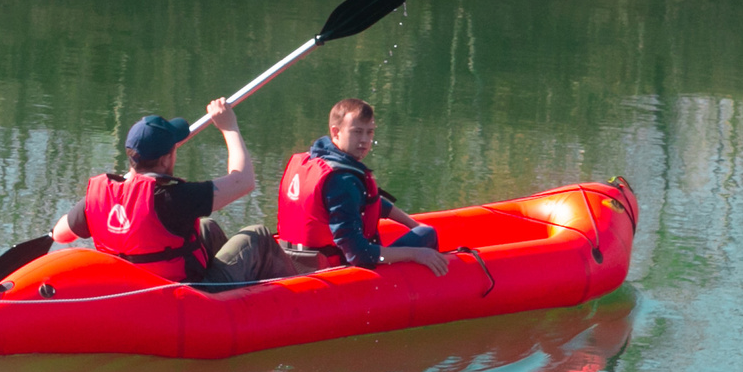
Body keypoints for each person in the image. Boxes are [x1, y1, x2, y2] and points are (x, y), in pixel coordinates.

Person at [231, 97, 448, 280]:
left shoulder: (314, 161)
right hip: (333, 271)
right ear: (336, 132)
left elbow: (370, 201)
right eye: (357, 132)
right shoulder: (342, 180)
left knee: (419, 229)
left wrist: (411, 223)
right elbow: (359, 255)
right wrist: (415, 254)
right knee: (427, 234)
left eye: (370, 132)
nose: (364, 140)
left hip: (295, 262)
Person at [52, 100, 263, 284]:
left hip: (134, 289)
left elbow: (60, 234)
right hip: (184, 295)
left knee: (207, 228)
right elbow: (243, 181)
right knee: (257, 236)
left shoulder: (97, 198)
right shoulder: (174, 197)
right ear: (164, 160)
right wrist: (229, 127)